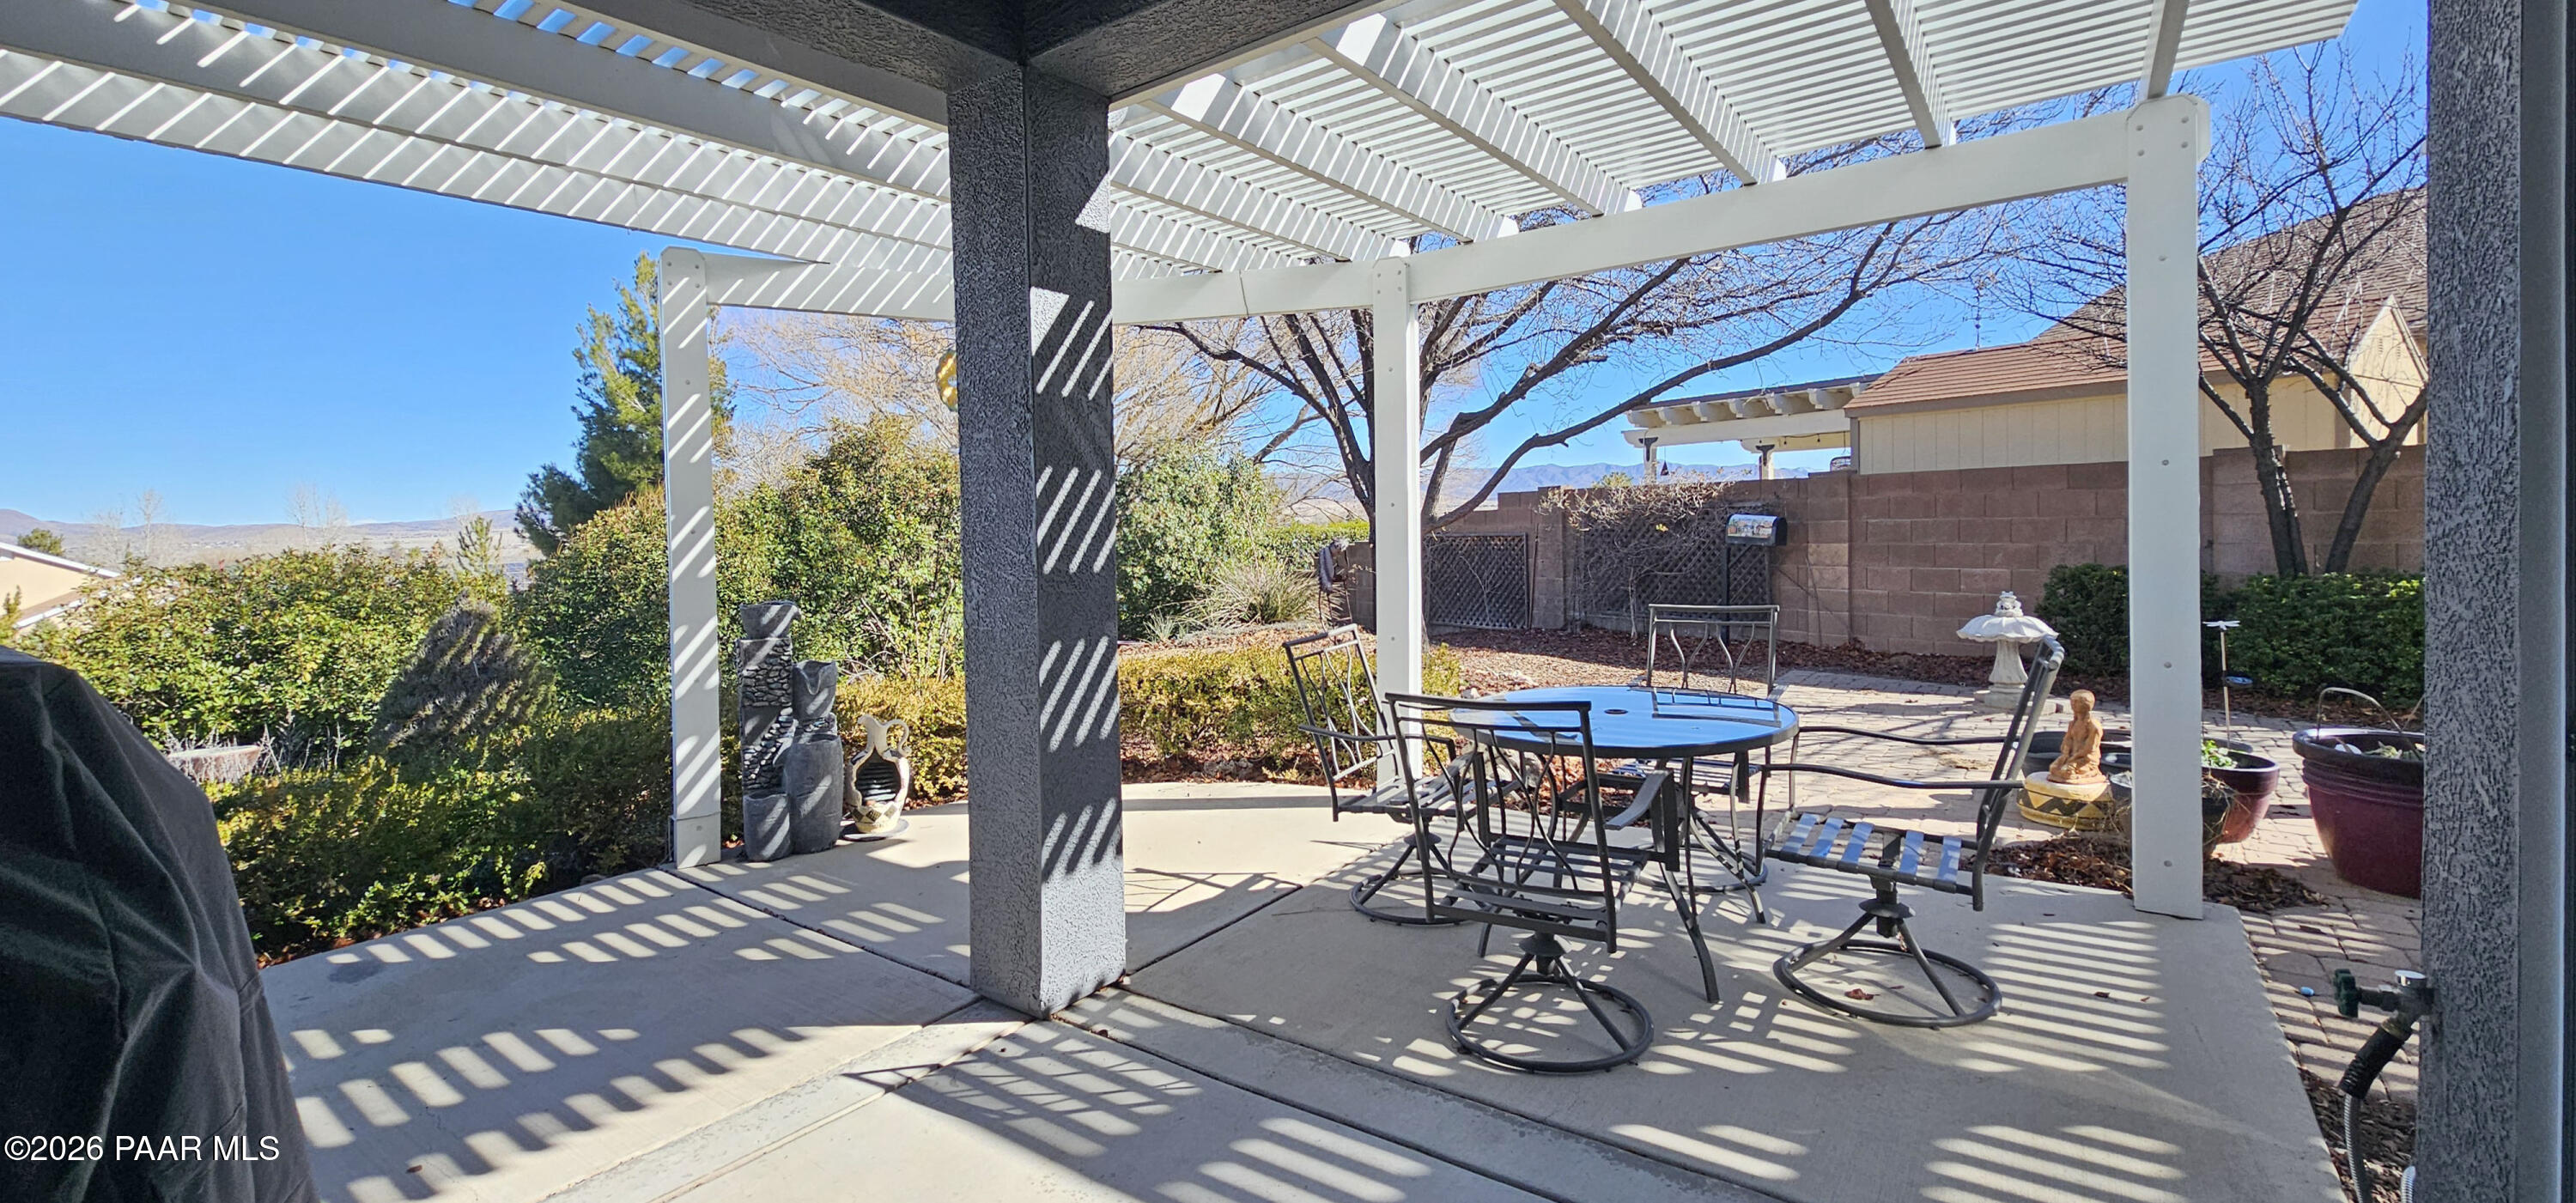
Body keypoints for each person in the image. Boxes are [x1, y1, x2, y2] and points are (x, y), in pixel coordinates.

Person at [2048, 689, 2109, 784]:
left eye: (2077, 702)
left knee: (2067, 772)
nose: (2073, 704)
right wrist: (2066, 752)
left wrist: (2074, 758)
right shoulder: (2073, 723)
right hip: (2070, 755)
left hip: (2085, 758)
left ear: (2086, 704)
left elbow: (2089, 749)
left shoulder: (2094, 726)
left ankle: (2092, 773)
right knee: (2053, 768)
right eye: (2072, 701)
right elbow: (2067, 739)